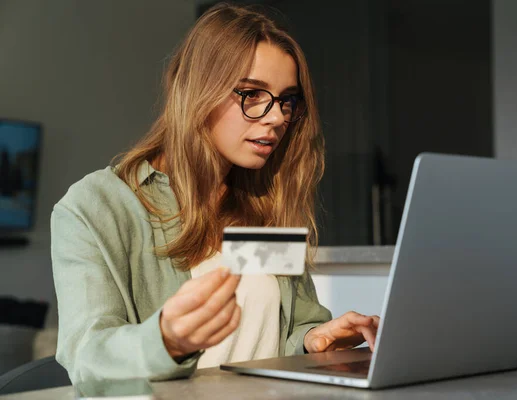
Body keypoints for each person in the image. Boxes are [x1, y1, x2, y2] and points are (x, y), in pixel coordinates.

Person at [51, 3, 379, 383]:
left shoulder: (264, 203)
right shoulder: (97, 206)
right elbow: (86, 356)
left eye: (287, 100)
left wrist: (314, 340)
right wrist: (165, 340)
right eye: (253, 94)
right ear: (197, 91)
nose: (277, 117)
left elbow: (290, 327)